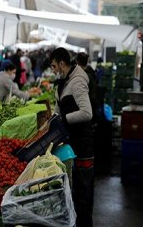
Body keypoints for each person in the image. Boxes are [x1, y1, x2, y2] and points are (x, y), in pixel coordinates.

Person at [50, 47, 93, 227]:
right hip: (71, 143)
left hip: (82, 145)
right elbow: (59, 109)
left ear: (62, 64)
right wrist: (52, 120)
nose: (52, 70)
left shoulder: (77, 82)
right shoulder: (64, 82)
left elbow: (87, 113)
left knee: (83, 193)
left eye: (54, 66)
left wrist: (64, 120)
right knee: (74, 191)